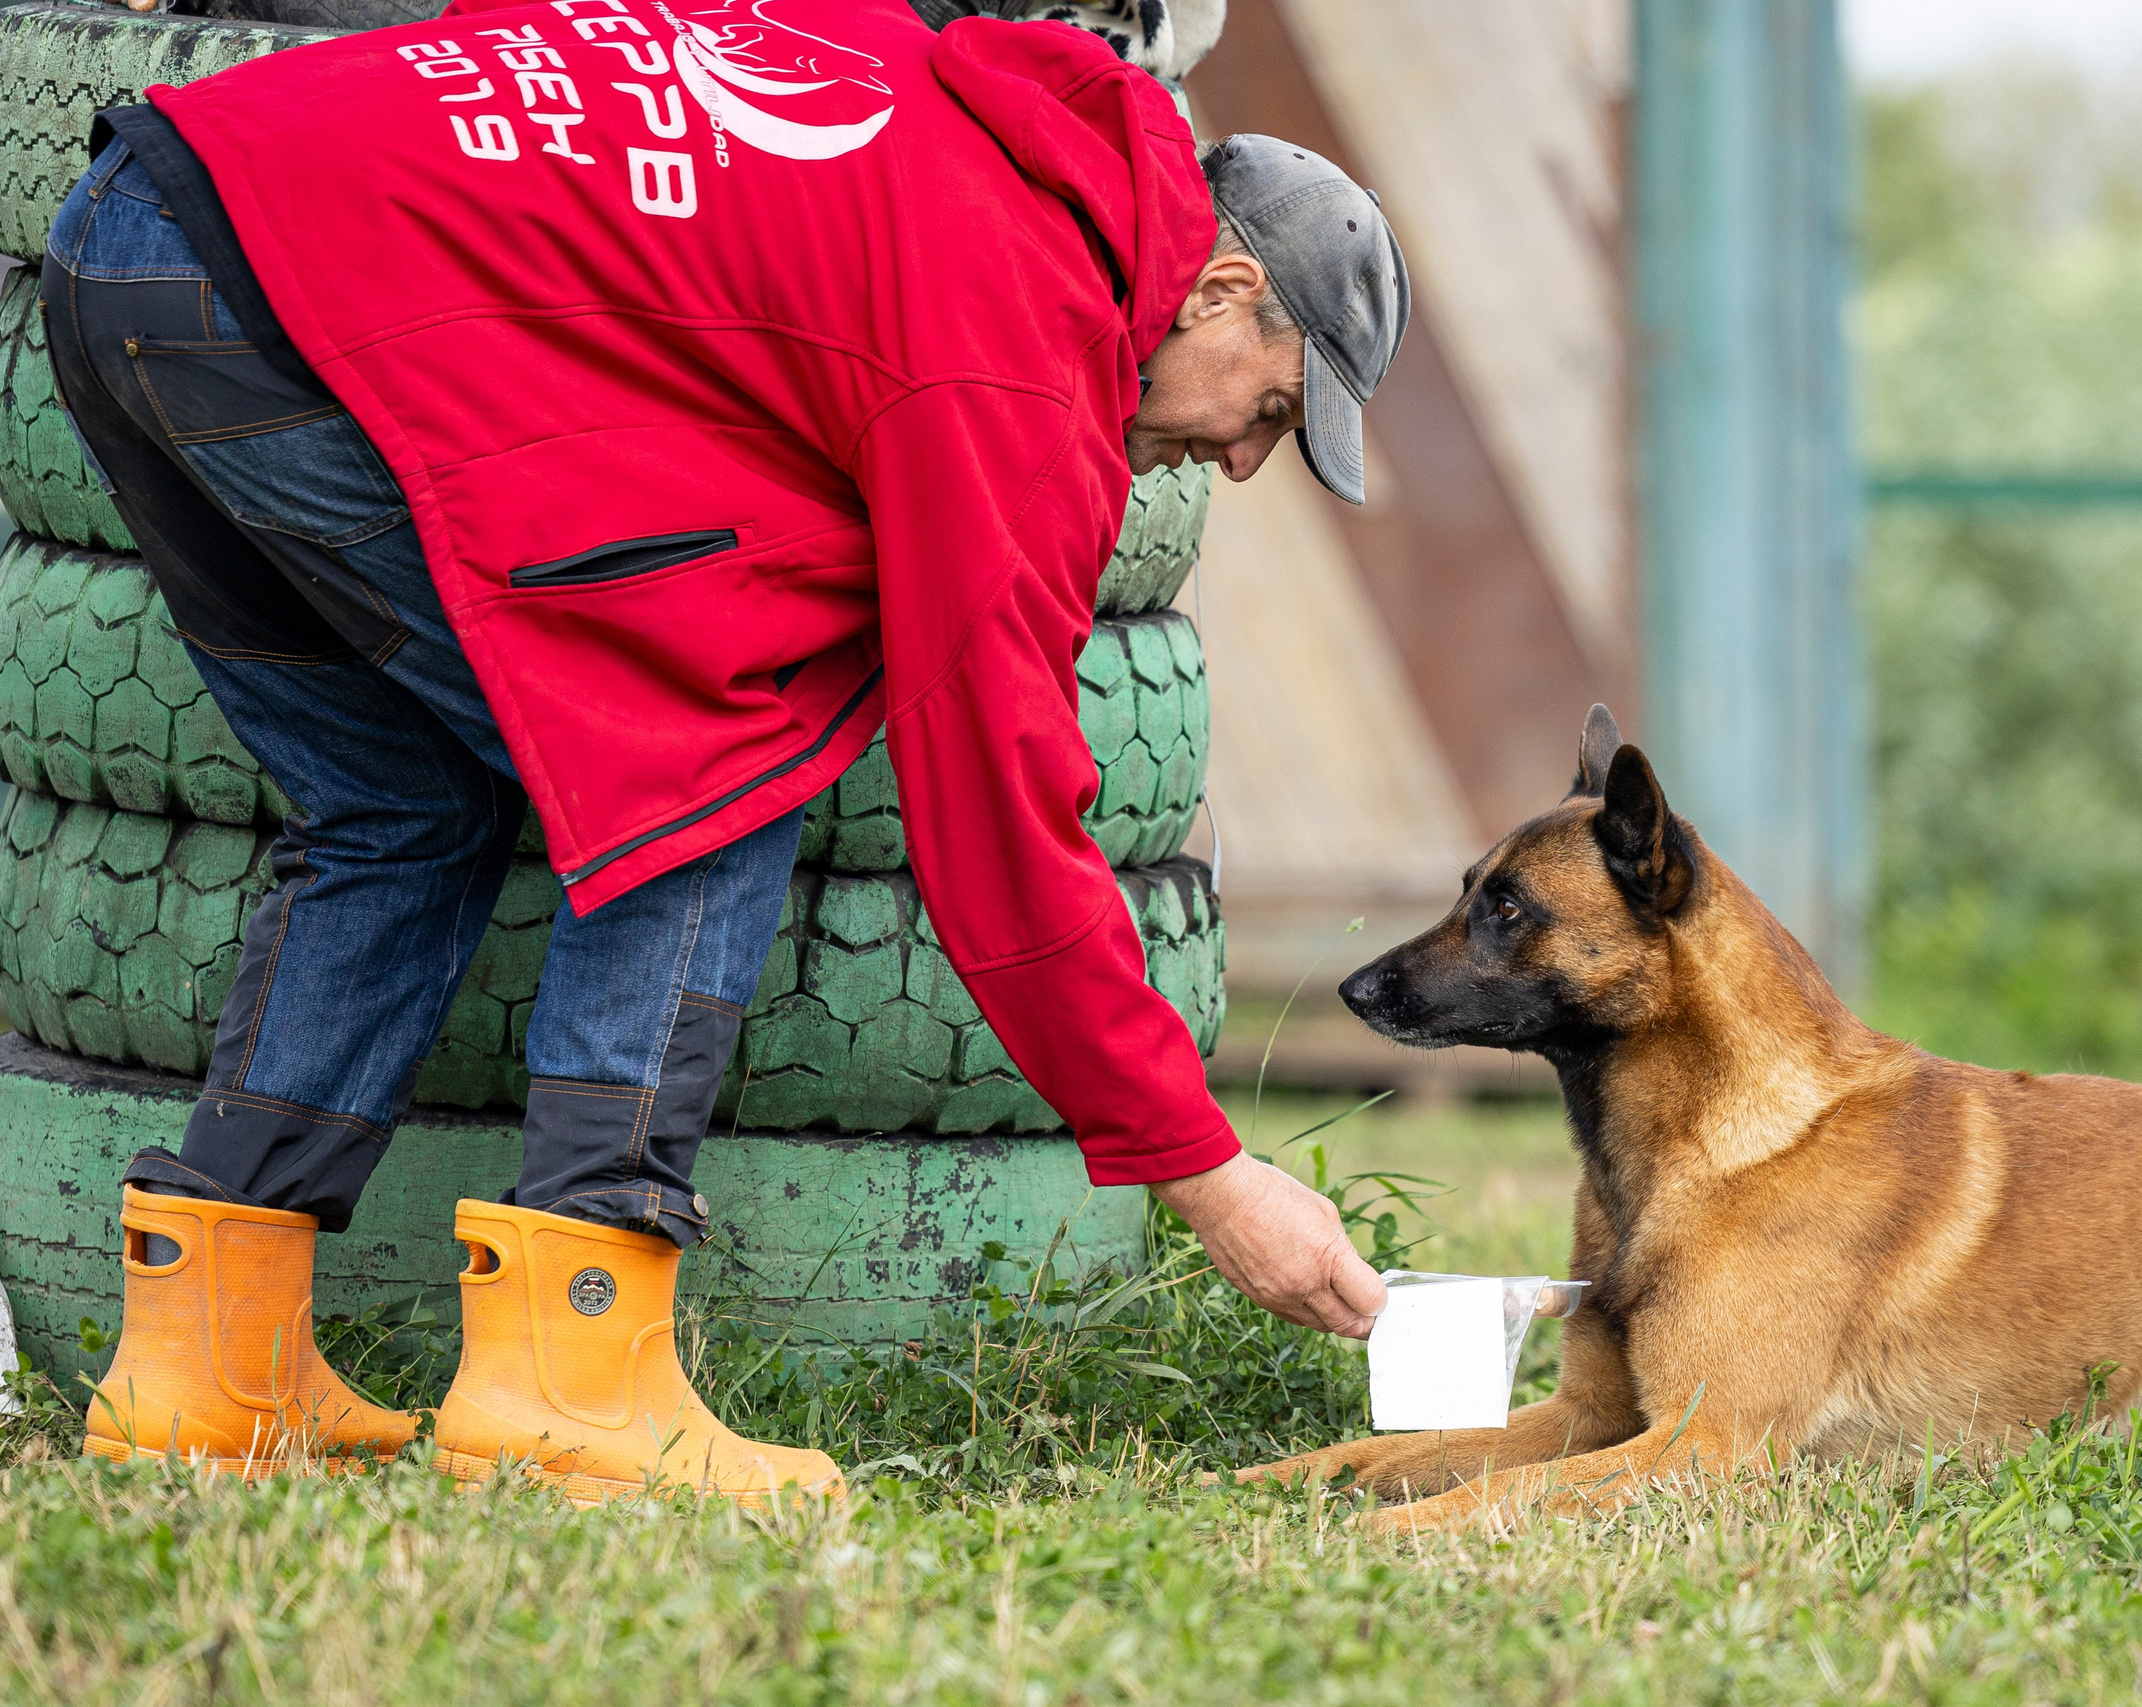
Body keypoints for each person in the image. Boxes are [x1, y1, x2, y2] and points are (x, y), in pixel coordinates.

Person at [47, 0, 1407, 1502]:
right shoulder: (1014, 341)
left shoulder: (975, 138)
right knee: (721, 742)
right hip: (291, 302)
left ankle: (203, 1366)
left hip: (136, 235)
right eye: (1272, 410)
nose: (1238, 459)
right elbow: (1001, 806)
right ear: (1219, 291)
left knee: (400, 803)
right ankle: (575, 1380)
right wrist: (1207, 1174)